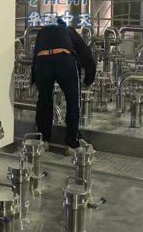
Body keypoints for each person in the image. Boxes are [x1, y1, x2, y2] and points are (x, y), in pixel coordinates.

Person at [32, 18, 96, 151]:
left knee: (44, 101)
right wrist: (88, 80)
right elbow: (86, 54)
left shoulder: (42, 32)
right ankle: (72, 143)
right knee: (72, 101)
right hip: (64, 60)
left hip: (42, 62)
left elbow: (35, 56)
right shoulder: (68, 30)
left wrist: (33, 81)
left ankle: (43, 140)